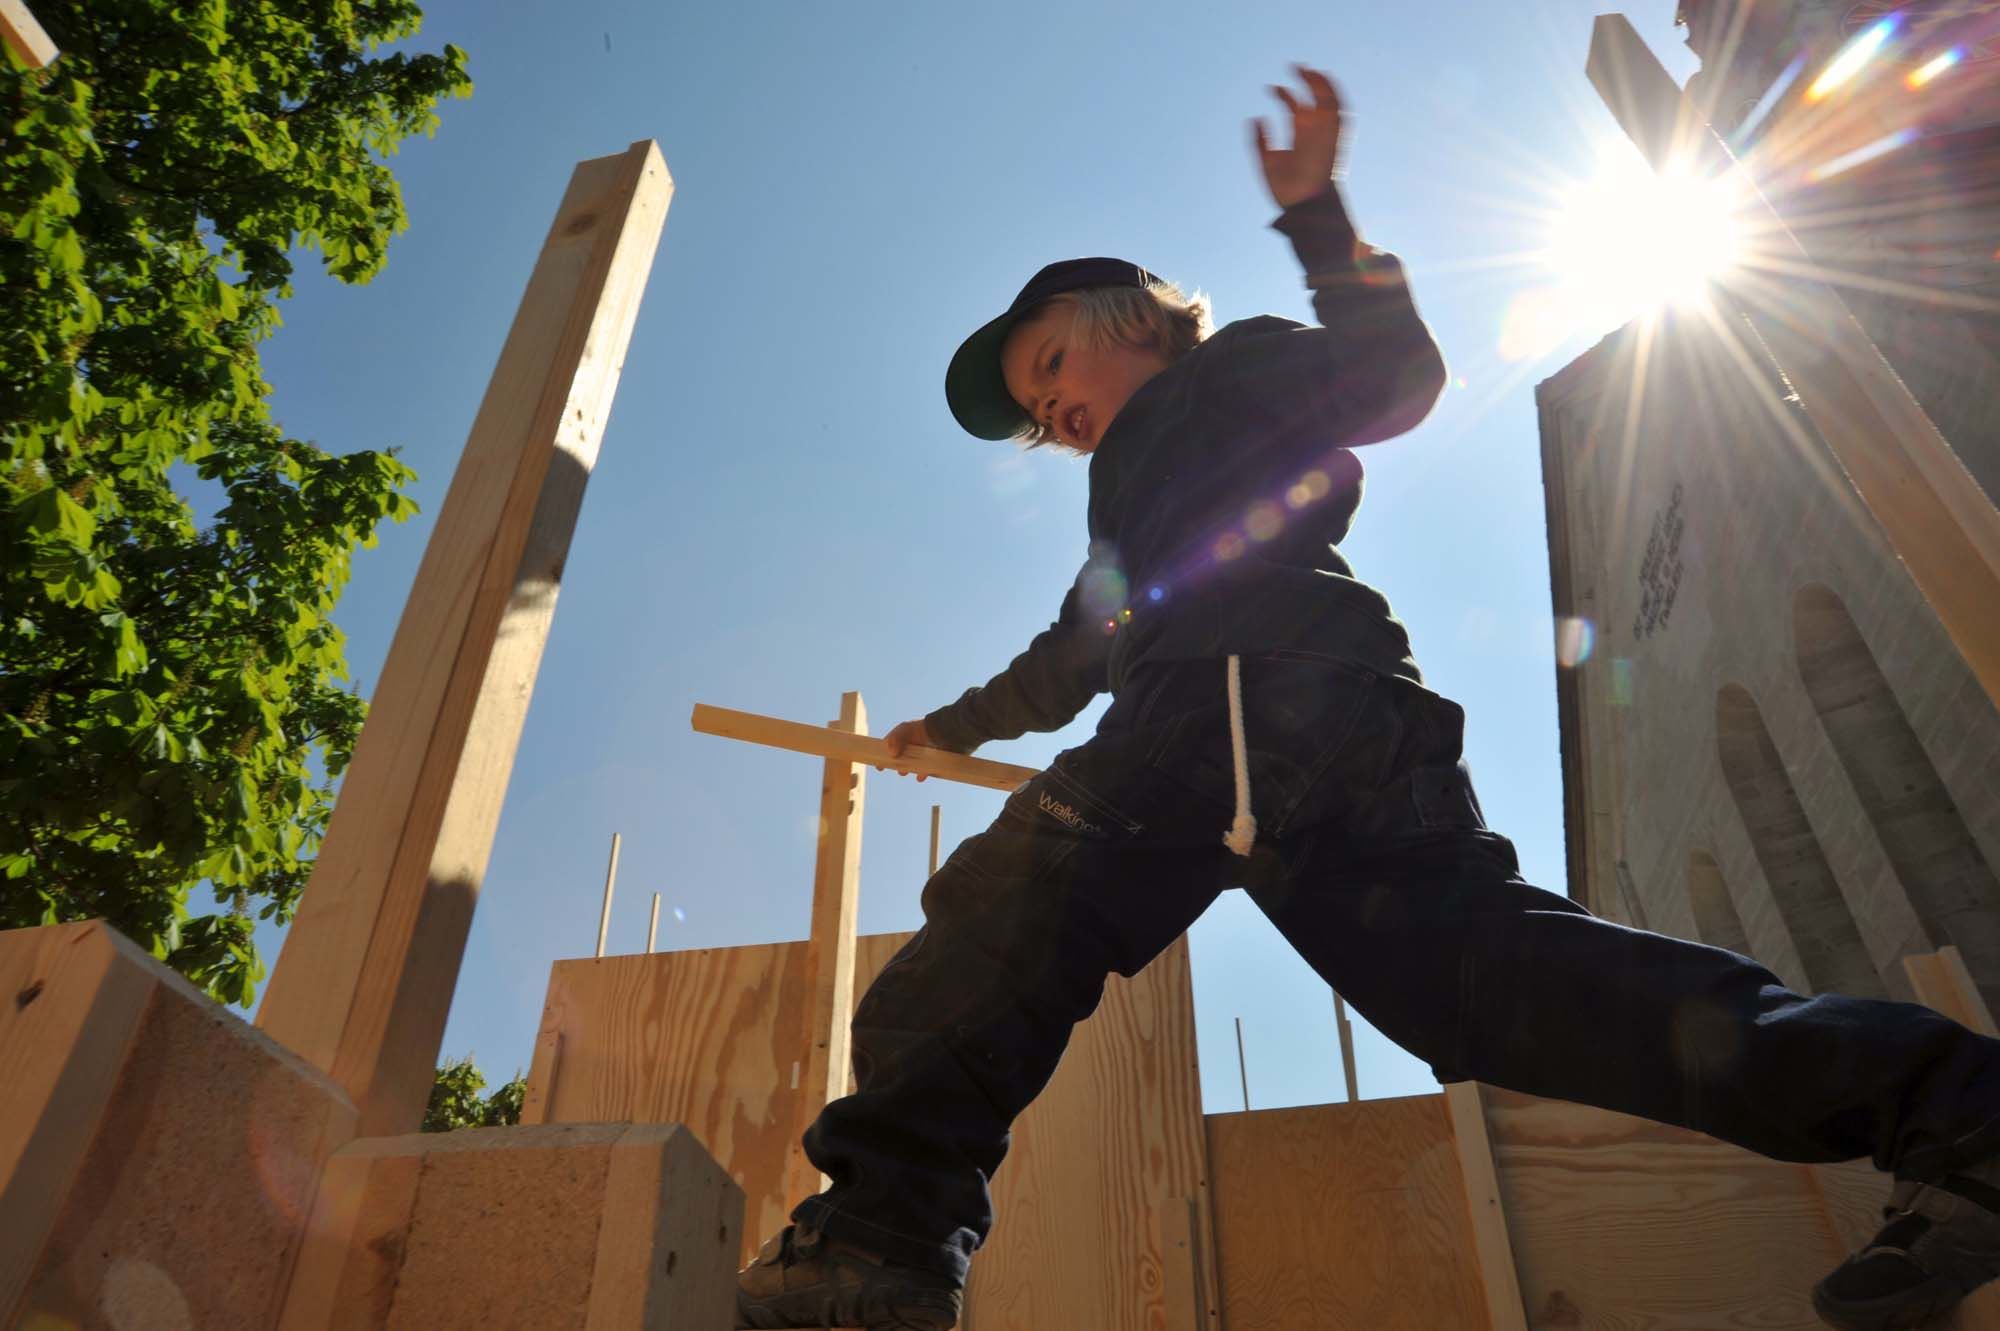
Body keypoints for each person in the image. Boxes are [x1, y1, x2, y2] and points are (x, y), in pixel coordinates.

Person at [735, 65, 2000, 1331]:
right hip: (1327, 741)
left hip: (1247, 691)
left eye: (1053, 361)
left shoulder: (1225, 372)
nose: (1053, 408)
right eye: (1036, 410)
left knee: (992, 914)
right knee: (1498, 991)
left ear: (1141, 320)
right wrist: (944, 729)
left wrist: (1317, 217)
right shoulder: (1130, 515)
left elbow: (1392, 380)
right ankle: (1959, 1119)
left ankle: (877, 1241)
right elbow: (1069, 655)